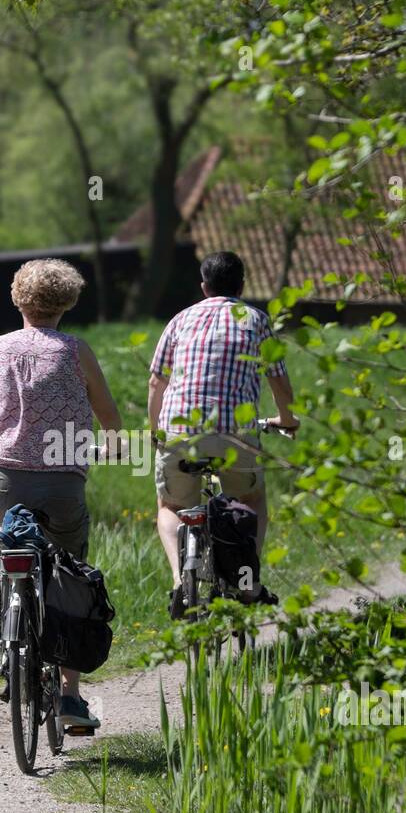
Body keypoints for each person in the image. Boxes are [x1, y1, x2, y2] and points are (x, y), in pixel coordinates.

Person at [0, 257, 123, 732]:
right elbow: (108, 415)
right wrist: (110, 448)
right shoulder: (76, 351)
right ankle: (70, 698)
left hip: (3, 476)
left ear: (17, 298)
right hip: (63, 482)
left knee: (2, 528)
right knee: (68, 572)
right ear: (68, 302)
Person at [147, 250, 298, 617]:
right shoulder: (256, 319)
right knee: (252, 502)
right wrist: (286, 419)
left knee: (171, 506)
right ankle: (248, 581)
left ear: (204, 287)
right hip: (236, 435)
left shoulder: (180, 320)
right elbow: (278, 379)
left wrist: (157, 432)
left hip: (180, 432)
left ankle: (178, 581)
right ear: (242, 286)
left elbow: (156, 382)